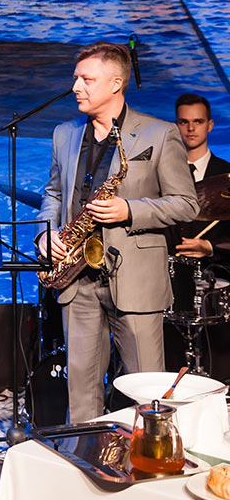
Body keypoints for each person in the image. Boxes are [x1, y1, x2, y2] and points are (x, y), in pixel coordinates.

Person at [35, 41, 199, 422]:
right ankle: (83, 456)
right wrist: (46, 233)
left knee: (148, 394)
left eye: (86, 79)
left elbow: (186, 203)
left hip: (135, 281)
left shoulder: (159, 134)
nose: (75, 87)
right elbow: (53, 194)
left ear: (116, 83)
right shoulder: (64, 134)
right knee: (80, 394)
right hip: (77, 279)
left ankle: (150, 458)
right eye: (76, 78)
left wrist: (129, 210)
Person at [171, 93, 230, 261]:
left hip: (215, 269)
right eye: (184, 122)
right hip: (167, 269)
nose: (191, 128)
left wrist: (211, 247)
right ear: (176, 126)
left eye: (198, 121)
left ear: (210, 125)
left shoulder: (227, 173)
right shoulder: (161, 172)